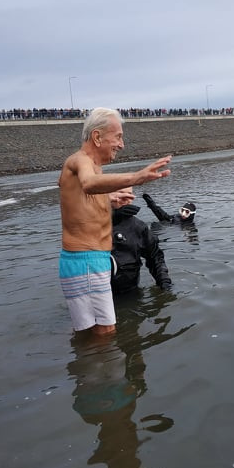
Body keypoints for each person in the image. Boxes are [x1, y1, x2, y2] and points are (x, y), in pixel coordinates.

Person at [58, 107, 171, 337]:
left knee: (94, 335)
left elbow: (78, 197)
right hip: (86, 260)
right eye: (118, 137)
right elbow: (88, 183)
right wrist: (137, 177)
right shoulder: (81, 161)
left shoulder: (89, 167)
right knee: (105, 335)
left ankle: (89, 370)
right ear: (97, 137)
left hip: (90, 260)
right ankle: (97, 371)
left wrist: (108, 199)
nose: (121, 145)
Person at [110, 187, 172, 294]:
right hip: (99, 293)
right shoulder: (89, 223)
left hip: (131, 290)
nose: (126, 198)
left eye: (129, 194)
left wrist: (164, 281)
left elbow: (155, 256)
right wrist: (110, 215)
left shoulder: (139, 227)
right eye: (120, 193)